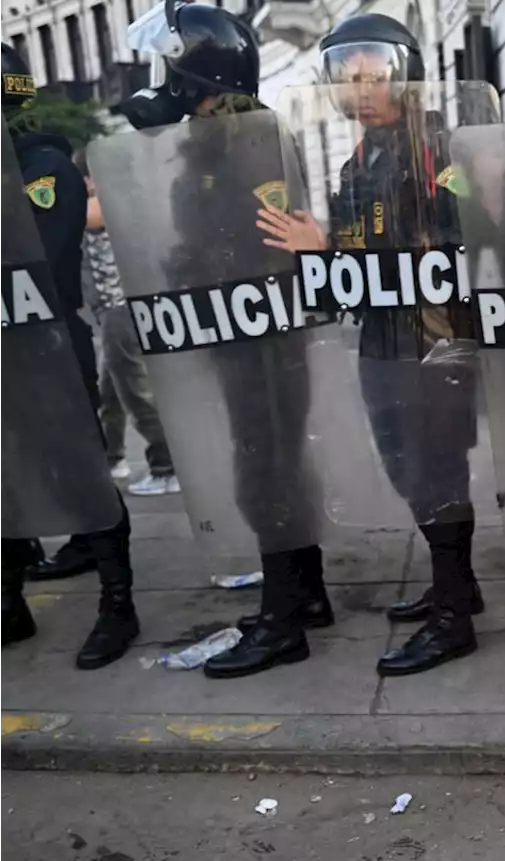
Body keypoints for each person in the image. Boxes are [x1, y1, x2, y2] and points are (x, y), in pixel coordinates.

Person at [256, 13, 485, 677]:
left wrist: (326, 248)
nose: (358, 87)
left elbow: (460, 238)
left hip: (433, 342)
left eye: (372, 73)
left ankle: (454, 620)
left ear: (404, 76)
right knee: (410, 472)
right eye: (346, 75)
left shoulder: (435, 148)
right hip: (384, 340)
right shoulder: (362, 156)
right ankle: (456, 585)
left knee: (436, 474)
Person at [111, 1, 331, 678]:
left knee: (265, 471)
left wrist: (188, 259)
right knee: (273, 463)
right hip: (246, 328)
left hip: (260, 332)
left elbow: (244, 235)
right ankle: (304, 593)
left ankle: (284, 621)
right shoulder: (225, 130)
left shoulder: (241, 136)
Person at [0, 42, 140, 669]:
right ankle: (8, 601)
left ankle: (118, 603)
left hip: (50, 350)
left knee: (82, 473)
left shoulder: (42, 165)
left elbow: (45, 259)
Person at [76, 153, 181, 497]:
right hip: (114, 312)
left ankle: (167, 468)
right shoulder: (117, 199)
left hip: (121, 309)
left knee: (136, 393)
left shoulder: (106, 203)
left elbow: (78, 215)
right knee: (112, 392)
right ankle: (113, 458)